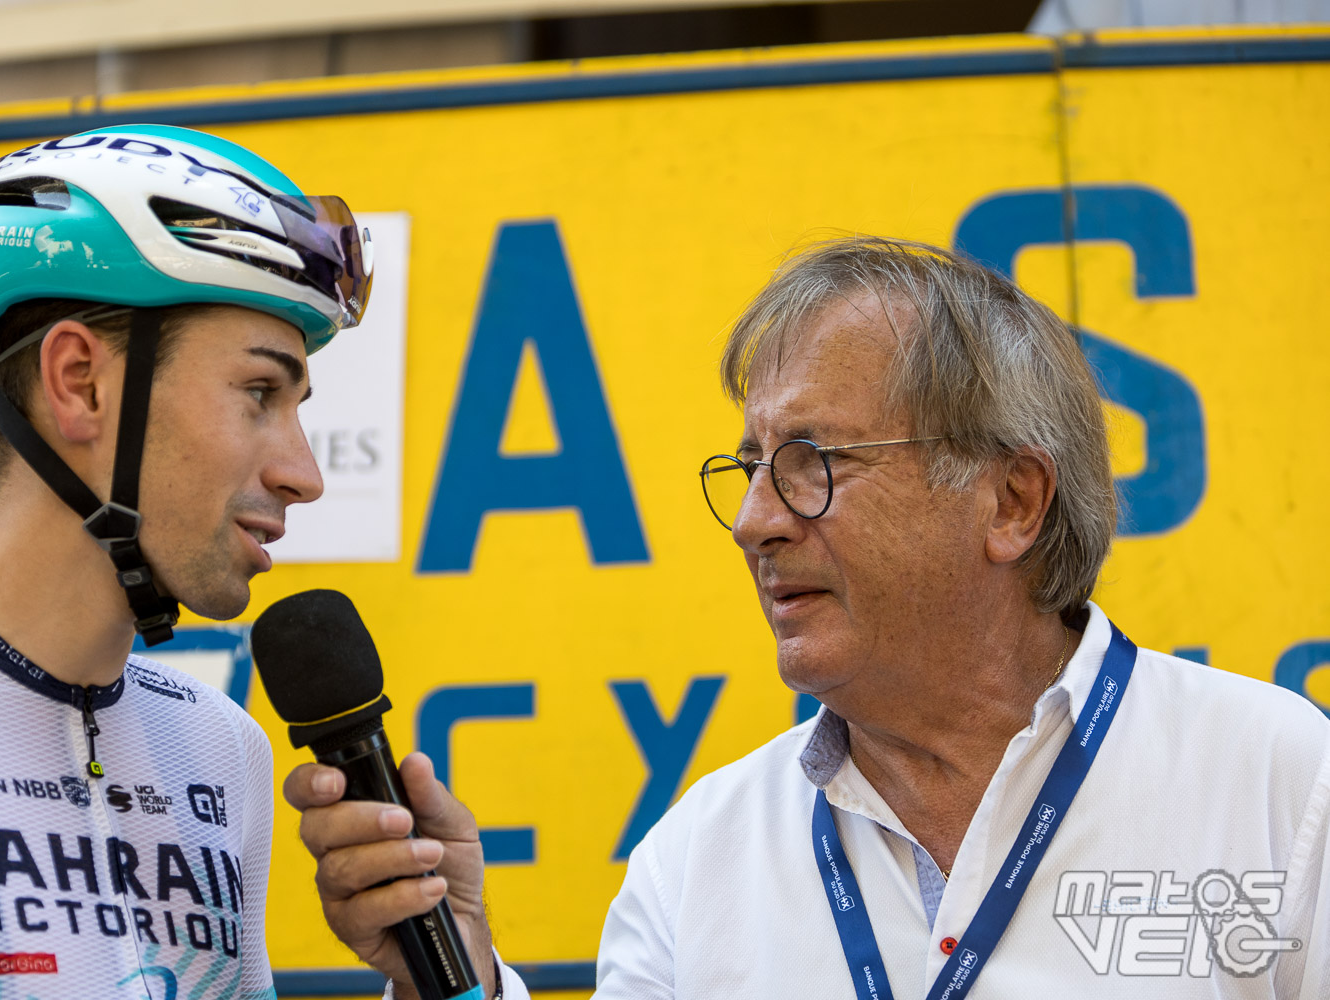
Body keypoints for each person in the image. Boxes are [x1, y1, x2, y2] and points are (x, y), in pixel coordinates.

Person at [284, 236, 1330, 997]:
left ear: (1011, 501)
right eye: (747, 470)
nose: (752, 522)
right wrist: (455, 975)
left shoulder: (1280, 783)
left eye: (811, 464)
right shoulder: (698, 857)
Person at [0, 124, 372, 998]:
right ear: (80, 382)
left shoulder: (222, 750)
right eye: (260, 393)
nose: (302, 475)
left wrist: (446, 978)